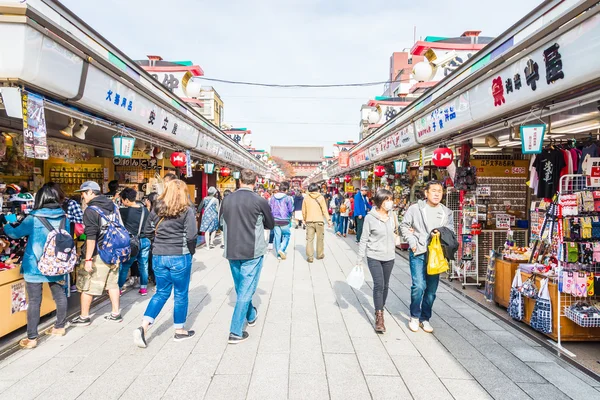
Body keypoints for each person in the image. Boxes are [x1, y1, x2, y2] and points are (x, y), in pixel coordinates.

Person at [4, 183, 70, 348]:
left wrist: (7, 223)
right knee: (59, 295)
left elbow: (14, 233)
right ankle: (59, 327)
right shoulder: (64, 217)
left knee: (34, 300)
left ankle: (32, 338)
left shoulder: (33, 218)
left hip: (34, 265)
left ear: (40, 199)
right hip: (57, 263)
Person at [133, 180, 197, 348]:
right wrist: (190, 251)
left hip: (159, 256)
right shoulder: (187, 211)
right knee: (181, 294)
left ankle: (143, 326)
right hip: (179, 256)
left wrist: (159, 242)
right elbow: (191, 235)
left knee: (161, 292)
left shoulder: (156, 209)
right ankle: (179, 330)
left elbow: (147, 231)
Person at [220, 169, 274, 343]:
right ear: (255, 181)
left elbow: (221, 224)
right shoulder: (260, 201)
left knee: (240, 286)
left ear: (239, 180)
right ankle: (235, 331)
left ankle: (250, 315)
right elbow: (270, 224)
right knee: (245, 289)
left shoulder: (227, 200)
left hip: (231, 249)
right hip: (252, 250)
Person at [400, 180, 454, 334]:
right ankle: (415, 316)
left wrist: (441, 232)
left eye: (440, 191)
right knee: (418, 285)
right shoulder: (415, 209)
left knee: (431, 289)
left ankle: (425, 318)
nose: (437, 194)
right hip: (418, 251)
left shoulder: (446, 212)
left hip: (436, 254)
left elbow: (450, 231)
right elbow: (403, 225)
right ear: (426, 193)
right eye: (434, 190)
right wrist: (412, 242)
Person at [70, 181, 123, 326]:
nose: (82, 197)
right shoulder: (112, 205)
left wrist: (88, 259)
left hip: (98, 253)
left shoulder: (91, 210)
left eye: (83, 193)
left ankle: (84, 317)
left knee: (87, 285)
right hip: (113, 251)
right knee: (112, 284)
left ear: (91, 193)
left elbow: (91, 237)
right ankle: (115, 313)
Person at [356, 189, 397, 333]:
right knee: (379, 284)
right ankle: (379, 316)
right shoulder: (370, 218)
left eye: (391, 199)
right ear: (380, 201)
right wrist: (359, 258)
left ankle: (380, 307)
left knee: (386, 285)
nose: (390, 203)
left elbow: (396, 231)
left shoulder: (393, 216)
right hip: (374, 255)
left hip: (389, 256)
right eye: (387, 200)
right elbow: (364, 238)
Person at [118, 188, 152, 295]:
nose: (122, 202)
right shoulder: (144, 210)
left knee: (125, 266)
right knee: (143, 265)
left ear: (126, 200)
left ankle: (118, 288)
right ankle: (143, 288)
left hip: (132, 242)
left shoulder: (123, 211)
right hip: (145, 240)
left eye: (122, 200)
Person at [302, 183, 332, 263]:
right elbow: (325, 210)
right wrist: (329, 220)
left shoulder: (306, 198)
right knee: (320, 239)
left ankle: (310, 257)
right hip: (319, 221)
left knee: (309, 240)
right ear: (317, 189)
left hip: (309, 221)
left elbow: (304, 211)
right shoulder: (321, 197)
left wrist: (304, 219)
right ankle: (319, 255)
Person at [269, 182, 294, 260]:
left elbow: (269, 208)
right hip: (285, 220)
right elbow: (291, 209)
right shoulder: (288, 198)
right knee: (287, 235)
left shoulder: (272, 198)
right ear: (286, 189)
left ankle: (278, 255)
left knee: (277, 236)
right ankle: (281, 249)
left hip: (275, 220)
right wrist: (290, 216)